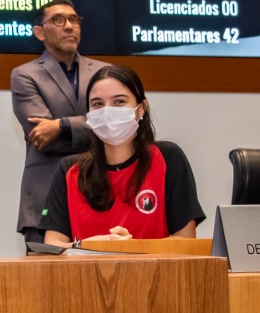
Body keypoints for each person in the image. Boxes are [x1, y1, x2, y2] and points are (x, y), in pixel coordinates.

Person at [40, 64, 204, 245]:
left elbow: (186, 240)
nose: (107, 111)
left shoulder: (168, 158)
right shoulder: (69, 170)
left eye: (119, 102)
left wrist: (131, 248)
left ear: (141, 109)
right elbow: (52, 245)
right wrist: (91, 247)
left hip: (154, 273)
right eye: (98, 104)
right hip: (85, 272)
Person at [11, 0, 105, 242]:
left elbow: (113, 127)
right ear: (39, 32)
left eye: (74, 20)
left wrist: (60, 126)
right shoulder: (25, 75)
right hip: (45, 197)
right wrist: (92, 130)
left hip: (99, 193)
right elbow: (43, 138)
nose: (69, 26)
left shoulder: (104, 73)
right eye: (58, 20)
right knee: (43, 280)